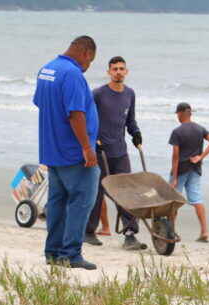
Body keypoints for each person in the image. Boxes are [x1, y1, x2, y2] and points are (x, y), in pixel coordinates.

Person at [33, 35, 99, 270]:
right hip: (73, 153)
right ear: (86, 54)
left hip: (52, 149)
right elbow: (76, 113)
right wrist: (86, 147)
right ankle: (71, 254)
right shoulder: (72, 74)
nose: (87, 66)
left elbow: (41, 103)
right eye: (89, 62)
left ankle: (53, 252)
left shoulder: (47, 69)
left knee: (58, 202)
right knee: (82, 201)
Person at [83, 56, 147, 251]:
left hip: (120, 151)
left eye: (122, 69)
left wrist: (135, 133)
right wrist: (93, 141)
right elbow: (86, 119)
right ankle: (89, 232)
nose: (118, 72)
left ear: (126, 72)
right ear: (109, 72)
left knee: (126, 192)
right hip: (100, 151)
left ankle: (130, 234)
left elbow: (130, 120)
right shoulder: (98, 94)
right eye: (115, 69)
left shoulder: (130, 94)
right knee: (98, 191)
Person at [168, 103, 209, 243]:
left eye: (177, 113)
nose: (177, 116)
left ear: (180, 113)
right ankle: (204, 231)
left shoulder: (177, 131)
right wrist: (201, 157)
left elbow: (176, 156)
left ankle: (170, 231)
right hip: (195, 169)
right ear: (190, 113)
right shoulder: (199, 128)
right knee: (196, 200)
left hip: (181, 169)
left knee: (173, 201)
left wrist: (174, 177)